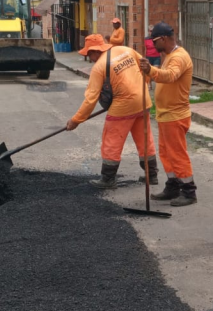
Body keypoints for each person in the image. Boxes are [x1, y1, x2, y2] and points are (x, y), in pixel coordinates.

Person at [66, 33, 156, 189]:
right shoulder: (126, 50)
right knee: (145, 140)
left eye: (88, 54)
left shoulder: (99, 67)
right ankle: (152, 175)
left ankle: (108, 179)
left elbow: (90, 99)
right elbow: (145, 67)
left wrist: (75, 120)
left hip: (122, 107)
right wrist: (142, 87)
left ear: (95, 51)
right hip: (143, 101)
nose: (89, 58)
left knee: (112, 141)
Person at [138, 22, 195, 206]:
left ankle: (188, 191)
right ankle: (173, 186)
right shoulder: (169, 55)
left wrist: (151, 70)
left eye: (154, 41)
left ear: (163, 39)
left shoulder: (179, 57)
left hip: (175, 115)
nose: (152, 45)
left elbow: (170, 76)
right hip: (166, 115)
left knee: (177, 154)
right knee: (166, 153)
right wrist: (148, 74)